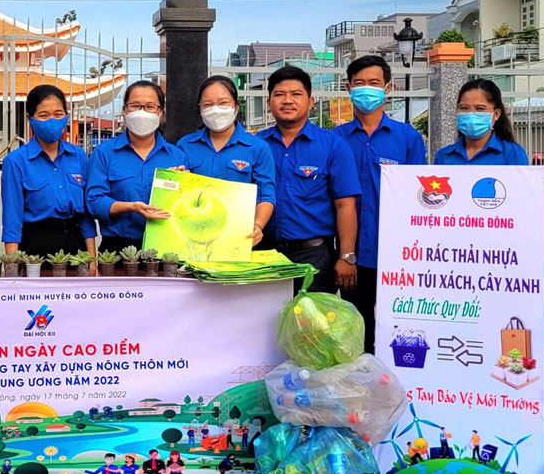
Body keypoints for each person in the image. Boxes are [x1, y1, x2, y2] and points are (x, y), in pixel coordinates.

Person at [337, 55, 428, 354]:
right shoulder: (335, 139)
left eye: (374, 83)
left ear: (388, 88)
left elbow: (420, 198)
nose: (366, 90)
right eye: (359, 84)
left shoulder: (407, 138)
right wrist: (345, 255)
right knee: (356, 331)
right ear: (348, 87)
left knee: (400, 331)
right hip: (351, 255)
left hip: (396, 253)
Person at [257, 66, 362, 295]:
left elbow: (345, 205)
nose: (287, 100)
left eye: (296, 94)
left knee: (310, 327)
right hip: (263, 254)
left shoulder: (333, 146)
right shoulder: (256, 145)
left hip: (314, 257)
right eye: (279, 94)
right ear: (269, 102)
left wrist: (347, 256)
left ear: (310, 101)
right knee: (263, 326)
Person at [84, 80, 186, 253]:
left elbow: (185, 206)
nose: (142, 112)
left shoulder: (176, 156)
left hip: (166, 247)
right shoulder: (104, 153)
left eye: (150, 107)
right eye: (135, 106)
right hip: (117, 248)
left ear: (160, 112)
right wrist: (131, 207)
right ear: (125, 110)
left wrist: (183, 185)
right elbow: (94, 202)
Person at [177, 76, 277, 246]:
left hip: (239, 236)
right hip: (193, 234)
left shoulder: (257, 148)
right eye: (208, 104)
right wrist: (177, 179)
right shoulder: (185, 145)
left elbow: (266, 194)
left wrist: (258, 225)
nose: (215, 110)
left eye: (223, 103)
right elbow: (176, 192)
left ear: (236, 105)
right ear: (200, 109)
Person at [2, 85, 97, 259]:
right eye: (43, 115)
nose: (52, 121)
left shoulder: (78, 156)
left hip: (76, 243)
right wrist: (12, 264)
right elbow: (12, 219)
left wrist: (92, 258)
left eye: (58, 114)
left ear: (66, 117)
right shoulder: (16, 161)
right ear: (30, 119)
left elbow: (86, 214)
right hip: (35, 246)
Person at [433, 79, 528, 166]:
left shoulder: (513, 153)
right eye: (464, 108)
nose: (471, 114)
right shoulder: (443, 156)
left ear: (496, 114)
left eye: (480, 108)